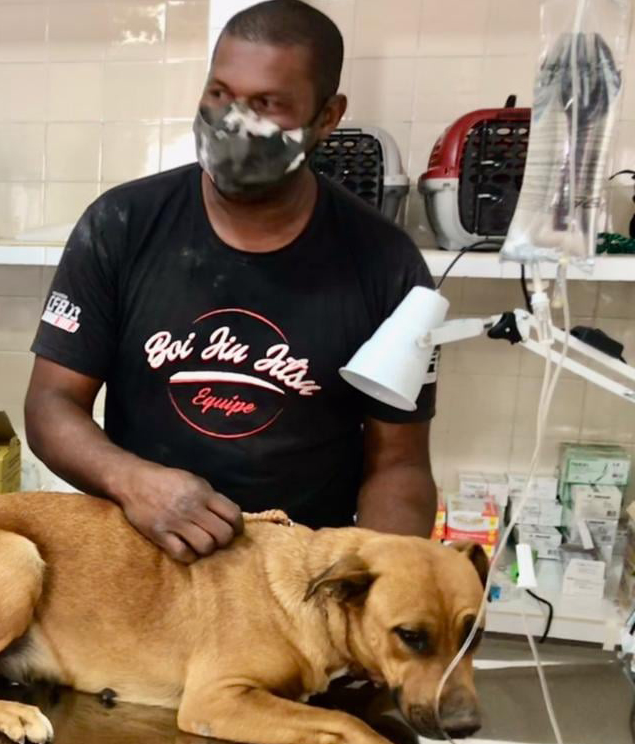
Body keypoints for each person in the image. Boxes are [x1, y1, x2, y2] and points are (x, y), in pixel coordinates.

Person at [26, 0, 438, 564]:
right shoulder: (121, 225)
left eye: (267, 104)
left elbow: (400, 465)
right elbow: (50, 405)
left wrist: (375, 579)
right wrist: (133, 481)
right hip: (144, 562)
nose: (233, 122)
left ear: (327, 116)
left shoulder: (387, 265)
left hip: (297, 574)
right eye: (220, 93)